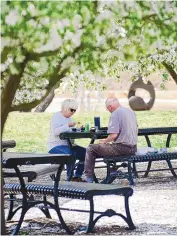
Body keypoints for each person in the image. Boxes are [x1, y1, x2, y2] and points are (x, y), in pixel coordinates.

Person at [84, 97, 138, 183]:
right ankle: (113, 171)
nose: (108, 111)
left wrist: (104, 141)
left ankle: (88, 177)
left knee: (91, 148)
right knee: (108, 148)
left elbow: (113, 135)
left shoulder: (115, 114)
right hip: (133, 148)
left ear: (110, 107)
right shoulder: (130, 111)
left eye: (107, 109)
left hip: (122, 148)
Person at [48, 98, 86, 182]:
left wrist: (78, 130)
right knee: (70, 154)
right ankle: (70, 177)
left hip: (67, 145)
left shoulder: (69, 118)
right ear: (65, 108)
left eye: (74, 111)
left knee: (87, 153)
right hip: (55, 145)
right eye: (71, 110)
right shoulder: (57, 116)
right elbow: (56, 131)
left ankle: (77, 176)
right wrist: (68, 125)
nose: (73, 112)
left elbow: (69, 132)